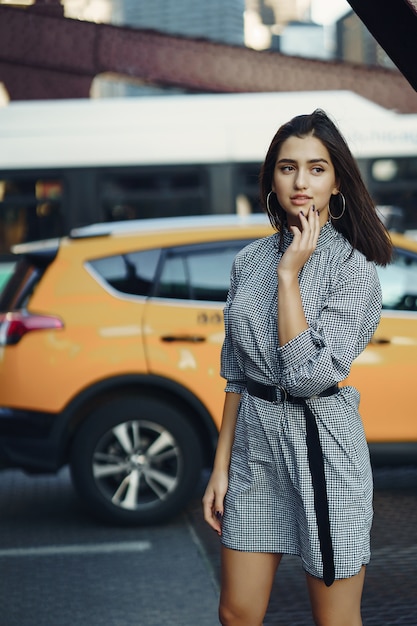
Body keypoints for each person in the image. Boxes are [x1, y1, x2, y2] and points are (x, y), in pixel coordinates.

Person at [202, 109, 392, 626]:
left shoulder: (356, 270)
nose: (301, 181)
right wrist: (221, 469)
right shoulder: (250, 261)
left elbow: (309, 376)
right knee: (236, 614)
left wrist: (290, 278)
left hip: (324, 452)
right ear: (272, 179)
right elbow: (236, 373)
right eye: (288, 168)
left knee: (334, 620)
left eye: (316, 168)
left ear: (337, 182)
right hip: (254, 455)